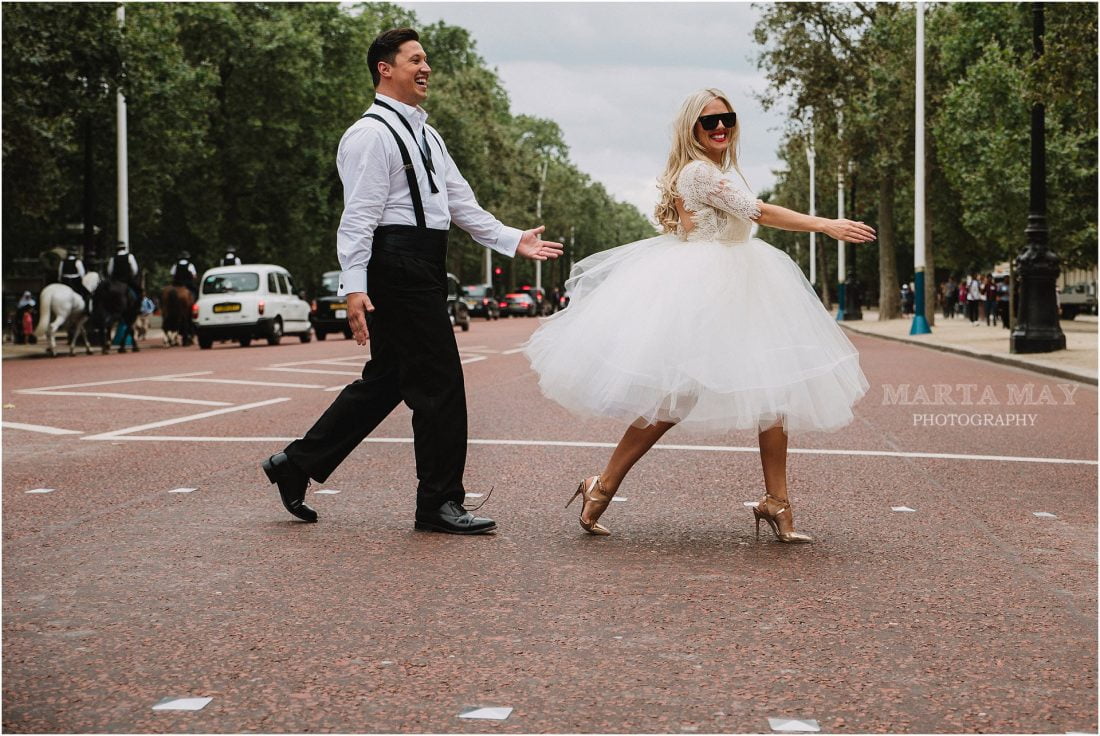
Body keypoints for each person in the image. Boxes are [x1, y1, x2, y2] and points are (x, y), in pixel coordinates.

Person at [524, 88, 873, 543]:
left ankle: (777, 503)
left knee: (773, 395)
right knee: (673, 401)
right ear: (693, 129)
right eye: (710, 122)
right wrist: (825, 224)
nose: (721, 127)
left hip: (744, 286)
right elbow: (758, 212)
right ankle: (602, 484)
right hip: (705, 292)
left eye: (727, 118)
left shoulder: (717, 171)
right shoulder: (697, 173)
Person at [260, 28, 563, 533]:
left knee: (387, 382)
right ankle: (439, 502)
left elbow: (460, 203)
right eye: (415, 60)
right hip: (395, 262)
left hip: (423, 262)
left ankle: (294, 464)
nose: (426, 69)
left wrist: (513, 240)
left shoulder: (427, 133)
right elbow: (357, 219)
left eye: (426, 61)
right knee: (440, 383)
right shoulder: (370, 135)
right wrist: (354, 286)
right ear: (385, 68)